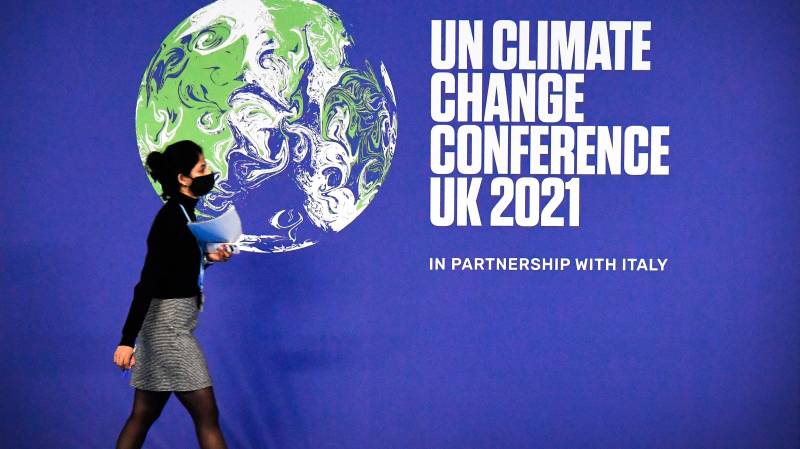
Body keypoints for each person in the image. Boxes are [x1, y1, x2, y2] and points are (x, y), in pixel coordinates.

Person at [113, 140, 234, 449]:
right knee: (207, 414)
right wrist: (127, 340)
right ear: (183, 178)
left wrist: (209, 258)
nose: (209, 172)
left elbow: (176, 269)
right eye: (202, 168)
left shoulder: (184, 215)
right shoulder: (171, 220)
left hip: (165, 328)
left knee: (143, 414)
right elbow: (148, 282)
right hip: (169, 331)